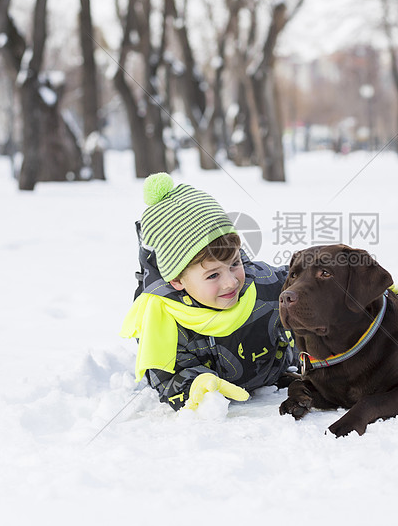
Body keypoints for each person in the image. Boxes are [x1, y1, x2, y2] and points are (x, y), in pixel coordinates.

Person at [119, 173, 297, 411]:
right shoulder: (163, 322)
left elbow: (303, 285)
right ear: (176, 280)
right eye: (213, 275)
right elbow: (168, 379)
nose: (230, 282)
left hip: (281, 372)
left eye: (235, 263)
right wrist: (198, 384)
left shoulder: (265, 285)